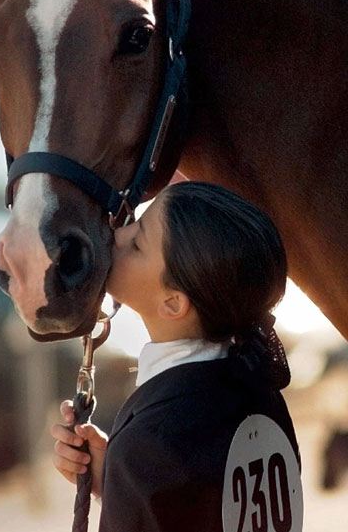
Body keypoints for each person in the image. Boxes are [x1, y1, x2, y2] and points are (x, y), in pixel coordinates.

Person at [51, 181, 300, 532]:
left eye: (136, 243)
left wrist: (129, 471)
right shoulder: (261, 391)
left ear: (173, 303)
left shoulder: (149, 443)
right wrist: (119, 483)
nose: (117, 236)